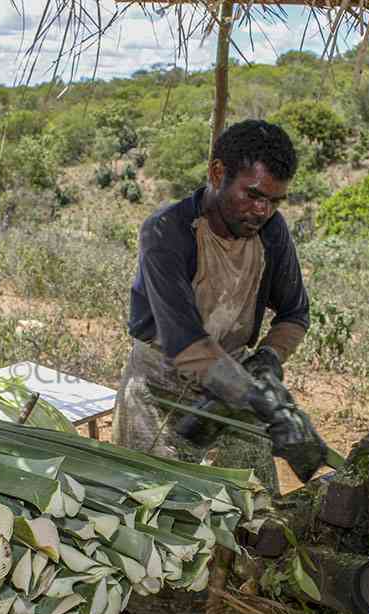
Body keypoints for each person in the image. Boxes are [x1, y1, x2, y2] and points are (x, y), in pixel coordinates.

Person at [113, 119, 319, 496]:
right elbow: (187, 348)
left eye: (274, 201)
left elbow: (294, 314)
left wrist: (270, 358)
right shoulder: (167, 231)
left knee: (253, 508)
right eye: (253, 194)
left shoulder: (271, 232)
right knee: (155, 510)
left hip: (234, 381)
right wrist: (264, 402)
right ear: (218, 172)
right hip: (159, 387)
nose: (262, 210)